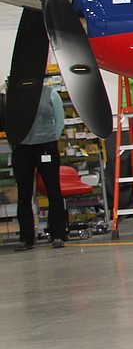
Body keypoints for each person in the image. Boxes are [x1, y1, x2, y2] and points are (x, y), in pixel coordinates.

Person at [11, 81, 69, 251]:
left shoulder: (51, 94)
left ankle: (58, 235)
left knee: (54, 192)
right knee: (24, 195)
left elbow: (59, 121)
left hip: (46, 146)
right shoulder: (16, 95)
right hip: (22, 148)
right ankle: (26, 238)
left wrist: (50, 140)